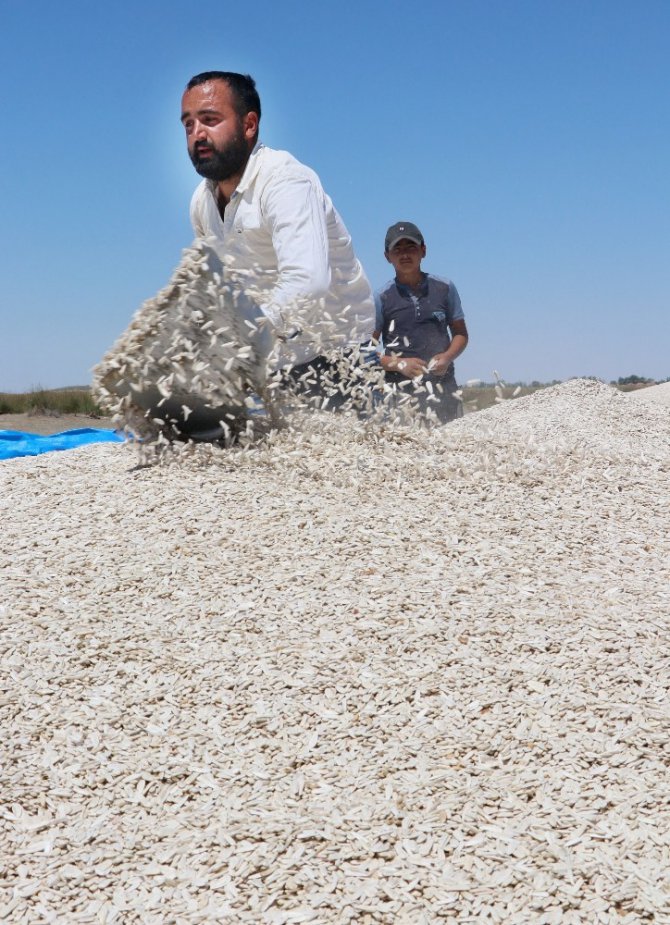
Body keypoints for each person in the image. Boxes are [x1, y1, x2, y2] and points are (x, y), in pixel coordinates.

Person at [181, 70, 376, 409]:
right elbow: (217, 286)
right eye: (188, 124)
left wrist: (239, 341)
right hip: (275, 360)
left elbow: (308, 282)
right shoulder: (202, 203)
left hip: (340, 355)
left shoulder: (285, 181)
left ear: (249, 124)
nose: (197, 133)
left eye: (210, 120)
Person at [373, 221, 468, 423]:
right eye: (397, 249)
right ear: (387, 257)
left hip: (443, 389)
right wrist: (399, 364)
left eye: (411, 248)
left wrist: (447, 357)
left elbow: (460, 334)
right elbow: (366, 351)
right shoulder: (381, 297)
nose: (405, 254)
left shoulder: (444, 288)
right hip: (398, 396)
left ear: (423, 251)